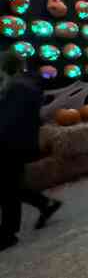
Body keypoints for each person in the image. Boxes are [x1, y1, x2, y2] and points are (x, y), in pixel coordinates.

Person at [0, 53, 62, 251]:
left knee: (8, 187)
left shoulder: (19, 87)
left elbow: (14, 121)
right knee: (10, 184)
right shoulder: (18, 85)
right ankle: (45, 204)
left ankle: (8, 233)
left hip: (11, 143)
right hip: (14, 142)